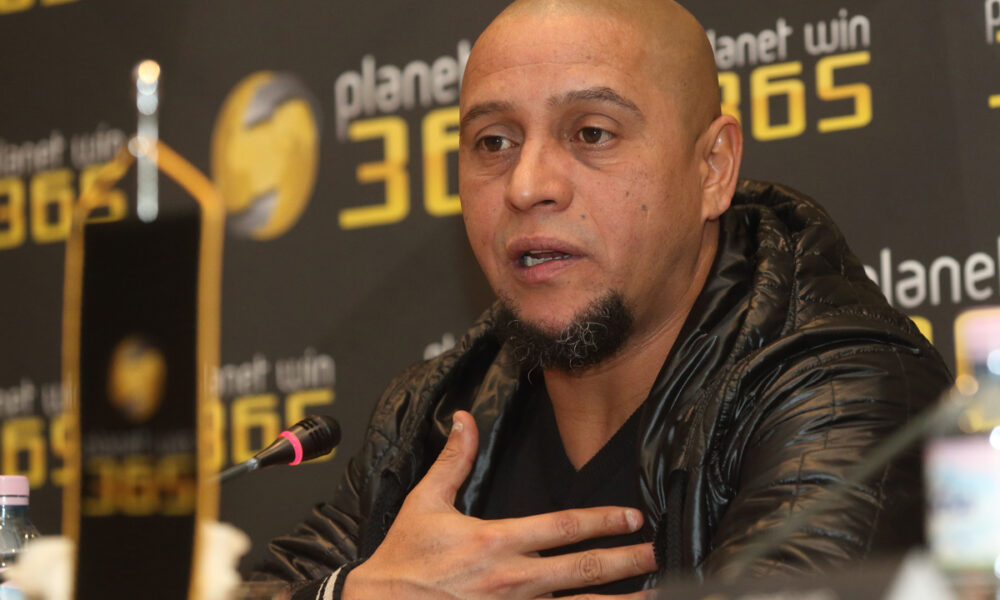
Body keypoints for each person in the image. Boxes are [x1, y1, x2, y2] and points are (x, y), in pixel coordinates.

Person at [256, 0, 951, 598]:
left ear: (713, 168)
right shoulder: (435, 413)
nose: (528, 185)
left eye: (592, 133)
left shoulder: (844, 389)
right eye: (493, 142)